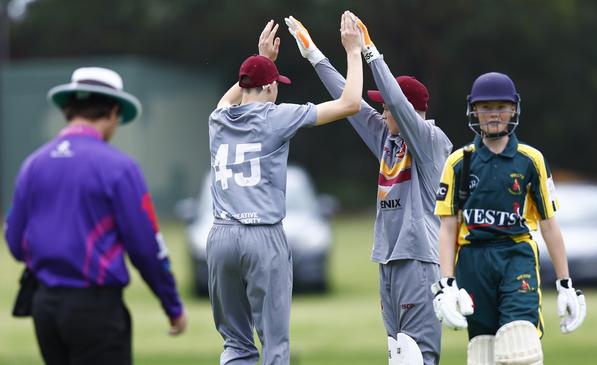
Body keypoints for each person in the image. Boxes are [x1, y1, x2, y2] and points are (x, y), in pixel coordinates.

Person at [285, 13, 452, 365]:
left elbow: (395, 100)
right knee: (397, 355)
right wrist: (314, 55)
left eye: (386, 106)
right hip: (389, 258)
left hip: (418, 258)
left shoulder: (430, 141)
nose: (380, 109)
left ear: (404, 110)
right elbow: (350, 102)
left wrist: (369, 50)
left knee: (417, 356)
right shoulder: (387, 138)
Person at [206, 13, 362, 365]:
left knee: (236, 344)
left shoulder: (217, 121)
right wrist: (354, 52)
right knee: (275, 346)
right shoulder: (276, 116)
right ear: (271, 87)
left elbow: (232, 98)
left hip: (221, 236)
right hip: (262, 235)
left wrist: (260, 61)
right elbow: (350, 103)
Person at [4, 66, 187, 365]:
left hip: (44, 308)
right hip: (95, 310)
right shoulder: (119, 167)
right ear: (114, 110)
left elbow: (14, 241)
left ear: (68, 108)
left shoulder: (32, 164)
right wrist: (173, 305)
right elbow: (145, 247)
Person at [431, 72, 587, 365]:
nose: (494, 114)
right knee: (484, 354)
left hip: (516, 255)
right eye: (486, 107)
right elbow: (447, 228)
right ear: (474, 110)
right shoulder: (458, 162)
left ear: (514, 109)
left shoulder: (530, 160)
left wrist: (565, 283)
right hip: (473, 262)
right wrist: (446, 283)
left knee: (521, 348)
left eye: (501, 107)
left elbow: (549, 224)